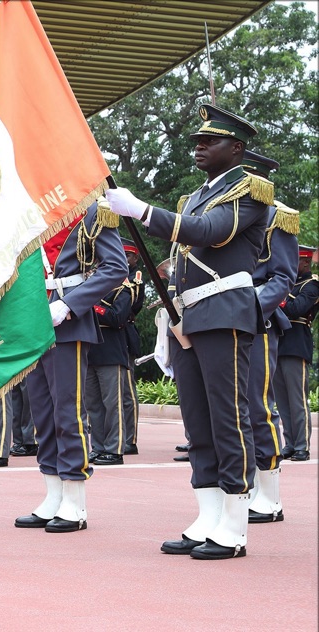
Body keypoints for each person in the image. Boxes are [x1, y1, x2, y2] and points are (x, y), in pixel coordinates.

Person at [106, 104, 271, 559]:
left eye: (209, 141)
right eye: (197, 140)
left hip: (225, 311)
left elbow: (209, 232)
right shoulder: (196, 194)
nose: (199, 147)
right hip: (189, 314)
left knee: (228, 417)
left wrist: (142, 210)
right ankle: (208, 513)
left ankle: (234, 523)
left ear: (236, 148)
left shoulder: (250, 191)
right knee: (197, 420)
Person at [14, 199, 126, 532]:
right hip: (33, 317)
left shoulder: (91, 210)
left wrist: (68, 305)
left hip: (67, 317)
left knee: (67, 411)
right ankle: (53, 494)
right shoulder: (28, 211)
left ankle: (74, 499)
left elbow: (115, 267)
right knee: (42, 412)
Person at [239, 151, 298, 523]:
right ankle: (242, 485)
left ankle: (270, 495)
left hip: (256, 320)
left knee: (258, 406)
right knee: (231, 409)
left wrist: (249, 309)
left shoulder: (277, 216)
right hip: (219, 320)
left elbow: (282, 277)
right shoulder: (223, 213)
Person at [84, 272, 136, 466]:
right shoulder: (86, 290)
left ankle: (114, 450)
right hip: (90, 352)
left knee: (112, 405)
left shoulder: (122, 290)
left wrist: (91, 305)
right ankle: (98, 447)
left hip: (111, 352)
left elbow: (117, 318)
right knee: (93, 406)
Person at [275, 246, 317, 462]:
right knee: (282, 402)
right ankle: (290, 444)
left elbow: (295, 309)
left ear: (305, 262)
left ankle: (302, 446)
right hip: (278, 345)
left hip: (296, 345)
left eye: (295, 260)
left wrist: (277, 296)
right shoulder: (287, 284)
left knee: (297, 400)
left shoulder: (312, 285)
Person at [121, 239, 144, 455]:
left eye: (127, 255)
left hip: (124, 334)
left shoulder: (134, 277)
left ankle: (130, 439)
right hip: (106, 337)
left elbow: (132, 304)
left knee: (127, 392)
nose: (124, 259)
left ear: (135, 258)